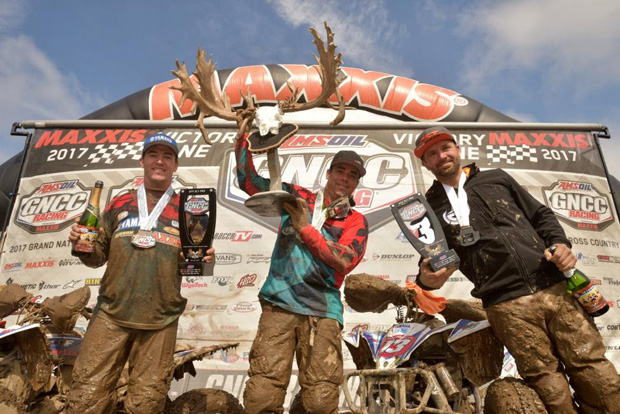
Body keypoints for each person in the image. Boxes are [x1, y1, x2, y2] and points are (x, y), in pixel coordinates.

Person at [413, 125, 620, 414]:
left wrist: (560, 243)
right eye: (432, 154)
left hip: (553, 286)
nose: (441, 156)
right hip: (506, 305)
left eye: (445, 148)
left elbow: (541, 214)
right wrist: (425, 279)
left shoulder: (496, 177)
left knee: (594, 370)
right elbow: (431, 260)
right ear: (425, 164)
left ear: (457, 149)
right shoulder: (427, 208)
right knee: (547, 382)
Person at [66, 133, 215, 414]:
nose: (160, 161)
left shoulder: (190, 210)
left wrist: (207, 260)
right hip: (111, 314)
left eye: (167, 156)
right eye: (153, 155)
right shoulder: (119, 202)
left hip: (160, 319)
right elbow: (96, 257)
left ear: (175, 165)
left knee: (146, 404)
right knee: (85, 399)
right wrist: (81, 245)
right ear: (142, 161)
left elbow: (196, 266)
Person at [235, 135, 369, 414]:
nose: (345, 178)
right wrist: (242, 138)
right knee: (262, 393)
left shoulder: (355, 220)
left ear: (357, 183)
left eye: (353, 175)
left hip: (323, 311)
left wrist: (306, 229)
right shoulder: (296, 198)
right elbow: (250, 183)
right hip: (279, 304)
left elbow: (345, 260)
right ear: (328, 173)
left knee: (321, 398)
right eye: (340, 171)